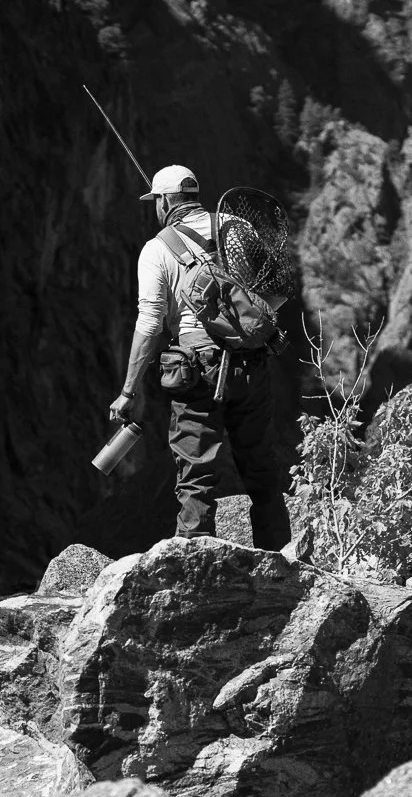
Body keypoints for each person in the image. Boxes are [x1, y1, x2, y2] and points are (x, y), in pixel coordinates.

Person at [107, 165, 299, 551]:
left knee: (195, 471)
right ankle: (279, 561)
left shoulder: (158, 249)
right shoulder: (237, 228)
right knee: (262, 469)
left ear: (163, 202)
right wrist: (240, 321)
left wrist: (128, 390)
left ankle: (195, 562)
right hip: (252, 362)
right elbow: (276, 291)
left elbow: (150, 323)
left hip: (198, 369)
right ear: (194, 195)